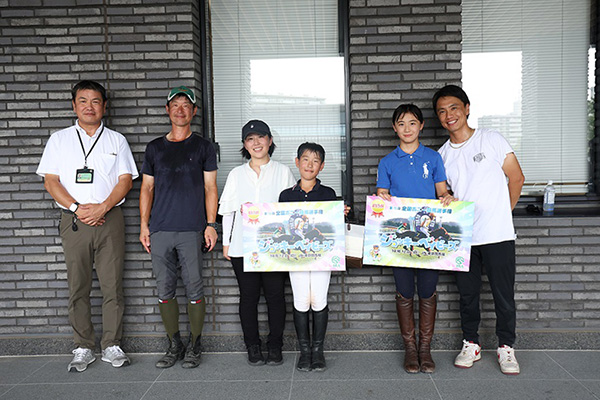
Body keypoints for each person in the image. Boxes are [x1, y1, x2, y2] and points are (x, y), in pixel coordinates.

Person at [36, 80, 138, 372]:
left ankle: (112, 344)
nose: (89, 107)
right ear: (74, 105)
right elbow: (51, 181)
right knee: (78, 285)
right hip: (74, 221)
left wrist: (102, 207)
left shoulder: (116, 140)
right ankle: (83, 346)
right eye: (83, 101)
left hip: (110, 218)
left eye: (95, 101)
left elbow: (125, 181)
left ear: (104, 106)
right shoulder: (59, 140)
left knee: (112, 285)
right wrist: (77, 208)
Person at [433, 85, 525, 375]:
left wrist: (502, 213)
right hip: (463, 238)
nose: (449, 115)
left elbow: (516, 178)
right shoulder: (441, 156)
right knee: (468, 295)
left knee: (503, 294)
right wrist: (446, 199)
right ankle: (471, 343)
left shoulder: (491, 139)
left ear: (467, 108)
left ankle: (506, 347)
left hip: (498, 234)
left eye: (454, 108)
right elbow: (442, 194)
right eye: (442, 111)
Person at [139, 86, 218, 369]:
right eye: (175, 104)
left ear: (194, 111)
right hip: (160, 228)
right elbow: (147, 188)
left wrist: (211, 224)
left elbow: (210, 187)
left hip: (191, 228)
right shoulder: (155, 148)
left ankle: (195, 345)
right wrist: (144, 225)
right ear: (167, 109)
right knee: (165, 288)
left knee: (194, 287)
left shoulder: (204, 147)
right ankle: (174, 345)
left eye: (186, 105)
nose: (180, 109)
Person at [376, 103, 454, 374]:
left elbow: (442, 192)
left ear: (421, 126)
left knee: (428, 290)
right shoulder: (387, 162)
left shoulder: (433, 158)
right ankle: (410, 349)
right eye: (401, 124)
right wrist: (382, 198)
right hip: (402, 241)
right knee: (405, 290)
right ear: (394, 128)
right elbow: (382, 195)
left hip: (429, 240)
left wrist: (447, 197)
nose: (407, 129)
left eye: (412, 123)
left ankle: (425, 349)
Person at [218, 120, 295, 366]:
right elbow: (228, 212)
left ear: (270, 141)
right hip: (242, 246)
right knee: (248, 297)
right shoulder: (236, 174)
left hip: (275, 247)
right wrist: (227, 243)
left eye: (261, 137)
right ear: (245, 145)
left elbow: (292, 209)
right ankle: (252, 345)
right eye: (250, 139)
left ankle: (275, 345)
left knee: (275, 296)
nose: (256, 143)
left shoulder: (282, 171)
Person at [279, 142, 350, 372]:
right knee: (301, 300)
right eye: (305, 159)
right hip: (295, 257)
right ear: (297, 162)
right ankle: (304, 351)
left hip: (322, 257)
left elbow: (332, 227)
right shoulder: (286, 196)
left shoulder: (328, 194)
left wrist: (342, 214)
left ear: (322, 166)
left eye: (315, 161)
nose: (310, 165)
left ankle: (318, 351)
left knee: (318, 300)